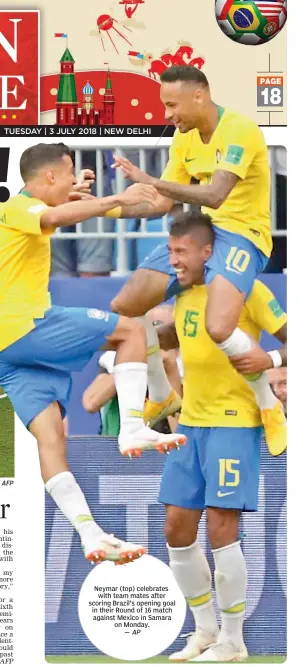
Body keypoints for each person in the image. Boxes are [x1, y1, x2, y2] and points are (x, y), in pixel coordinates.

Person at [0, 143, 186, 566]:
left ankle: (91, 534)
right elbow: (52, 215)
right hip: (22, 325)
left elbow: (73, 209)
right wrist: (116, 197)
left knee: (51, 439)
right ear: (49, 176)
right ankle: (135, 425)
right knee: (131, 330)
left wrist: (118, 202)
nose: (74, 182)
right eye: (69, 175)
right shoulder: (16, 207)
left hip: (9, 352)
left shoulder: (39, 208)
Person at [110, 65, 286, 456]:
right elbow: (161, 204)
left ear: (199, 96)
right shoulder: (182, 139)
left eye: (173, 105)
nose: (168, 115)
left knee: (220, 326)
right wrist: (102, 207)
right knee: (126, 306)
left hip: (243, 234)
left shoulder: (240, 129)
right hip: (199, 232)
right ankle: (161, 394)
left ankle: (269, 405)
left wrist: (151, 178)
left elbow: (217, 195)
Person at [154, 211, 287, 662]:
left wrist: (269, 358)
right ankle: (205, 631)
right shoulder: (182, 293)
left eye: (180, 251)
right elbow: (177, 336)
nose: (173, 259)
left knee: (222, 528)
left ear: (207, 252)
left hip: (235, 422)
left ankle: (234, 640)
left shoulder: (245, 288)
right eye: (169, 251)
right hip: (190, 424)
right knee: (176, 529)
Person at [82, 305, 183, 436]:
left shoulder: (187, 368)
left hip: (165, 448)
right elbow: (91, 403)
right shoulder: (113, 359)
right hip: (117, 448)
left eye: (162, 329)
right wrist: (132, 363)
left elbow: (180, 433)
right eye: (151, 330)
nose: (157, 337)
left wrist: (170, 369)